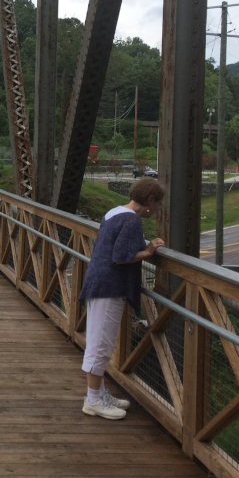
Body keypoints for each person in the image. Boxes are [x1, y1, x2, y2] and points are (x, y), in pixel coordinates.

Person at [79, 178, 165, 420]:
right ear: (149, 200)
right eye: (158, 204)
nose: (157, 209)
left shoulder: (114, 212)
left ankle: (98, 393)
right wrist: (148, 252)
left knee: (99, 340)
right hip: (110, 287)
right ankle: (93, 401)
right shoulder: (132, 219)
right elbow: (121, 256)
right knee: (101, 344)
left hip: (99, 283)